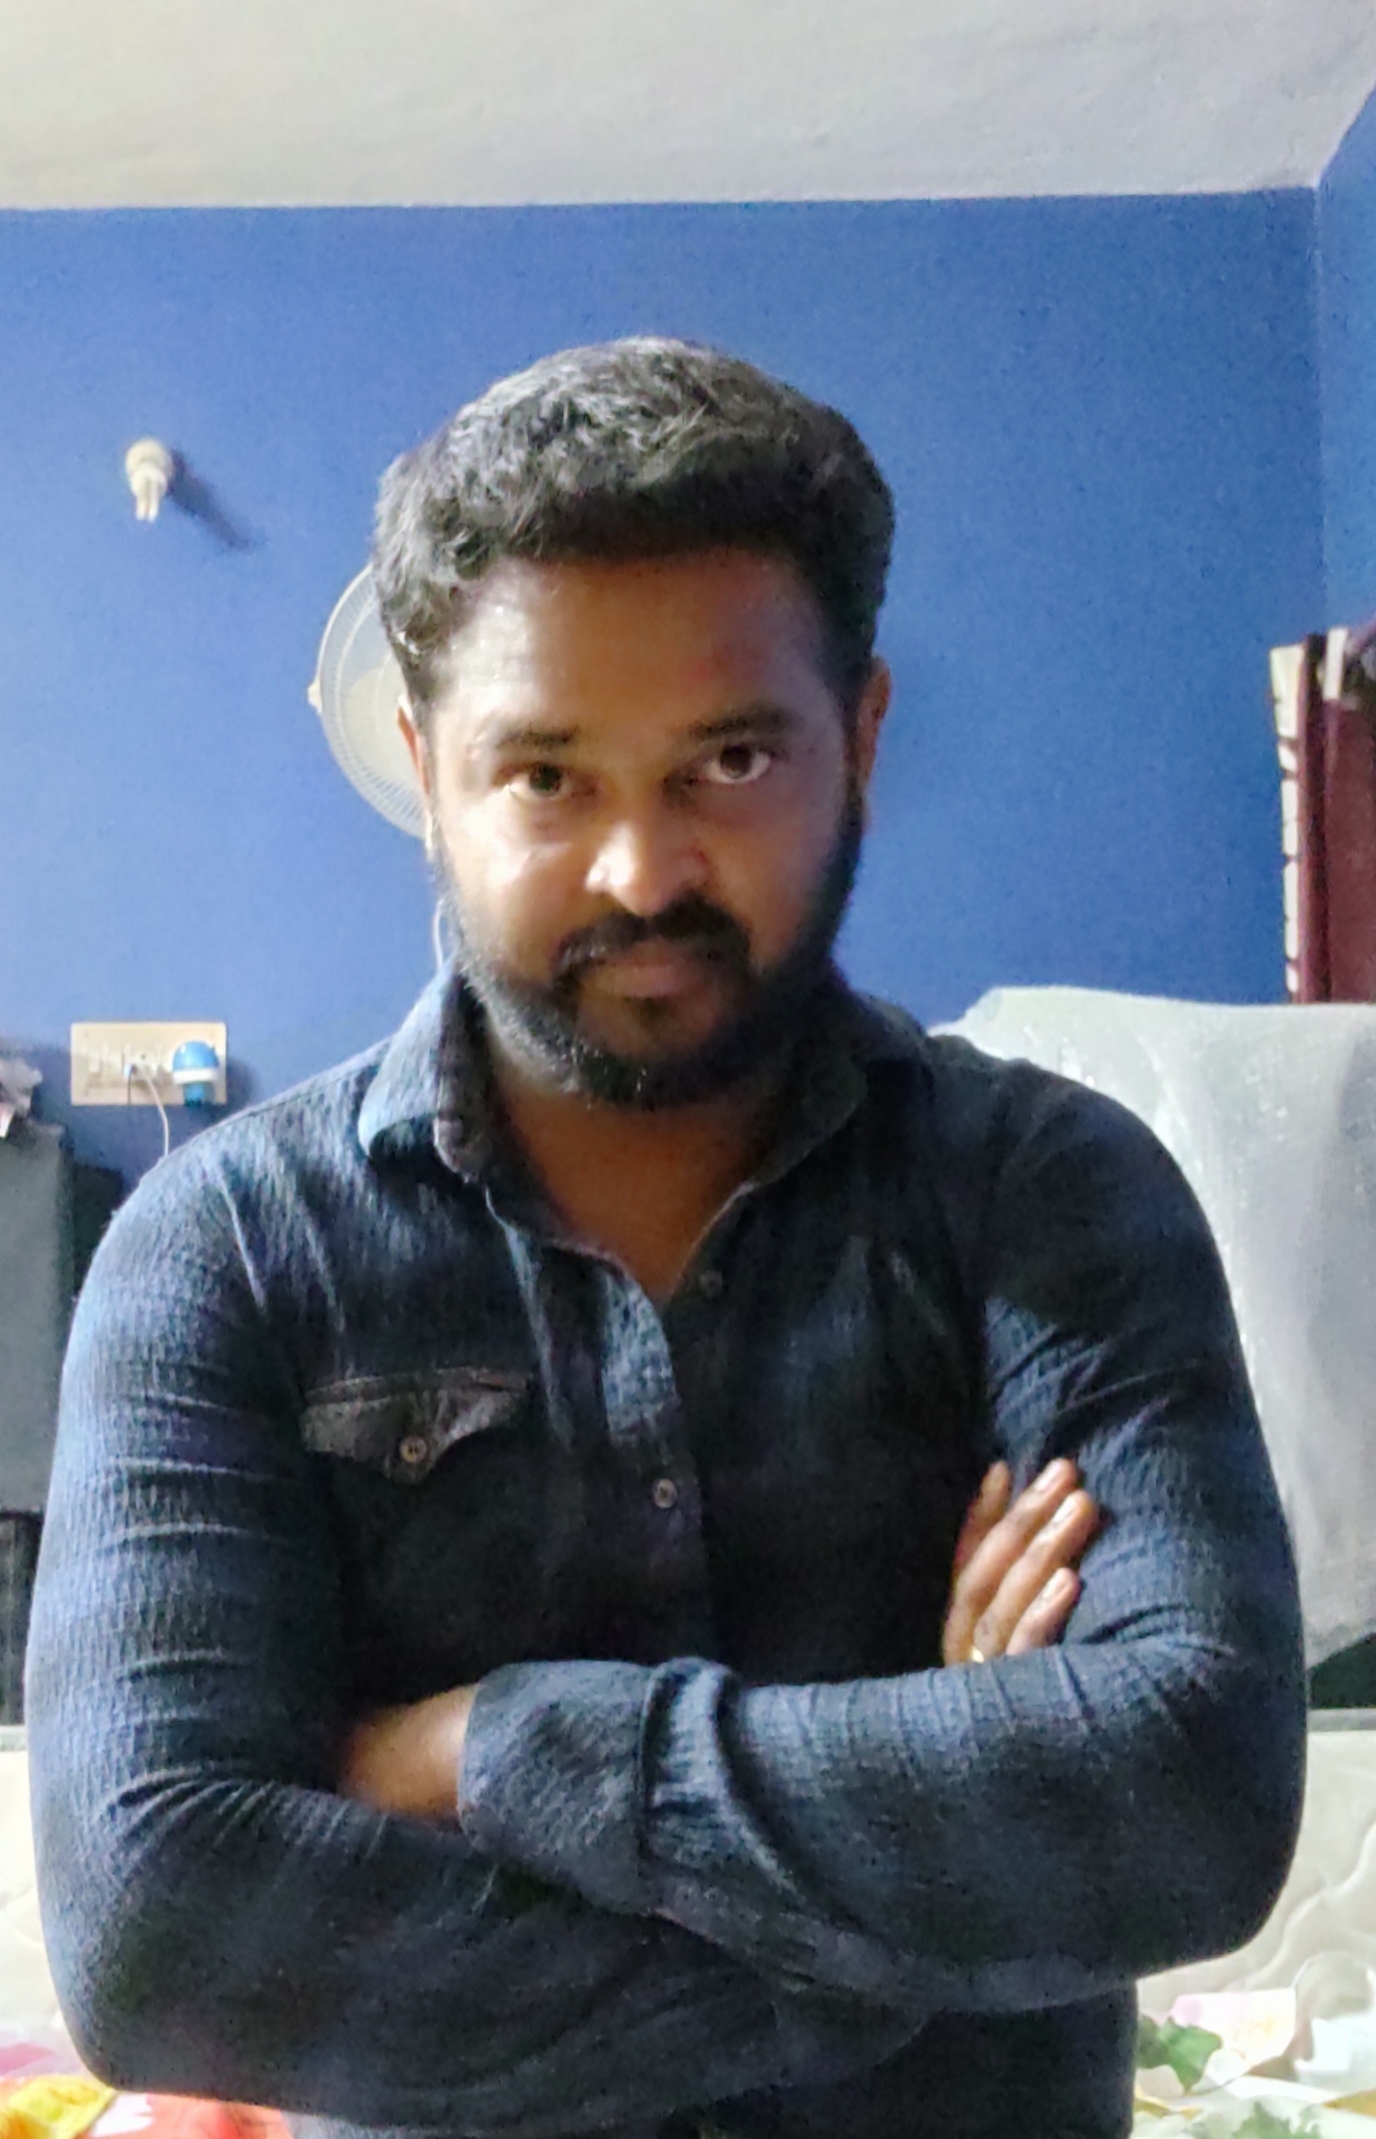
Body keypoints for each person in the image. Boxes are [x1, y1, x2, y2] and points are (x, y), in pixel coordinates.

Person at [26, 339, 1306, 2139]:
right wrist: (925, 1893)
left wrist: (489, 1745)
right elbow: (163, 1937)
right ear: (426, 769)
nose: (642, 870)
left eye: (730, 758)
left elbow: (1188, 1801)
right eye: (548, 777)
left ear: (860, 739)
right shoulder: (224, 1252)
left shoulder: (1050, 1193)